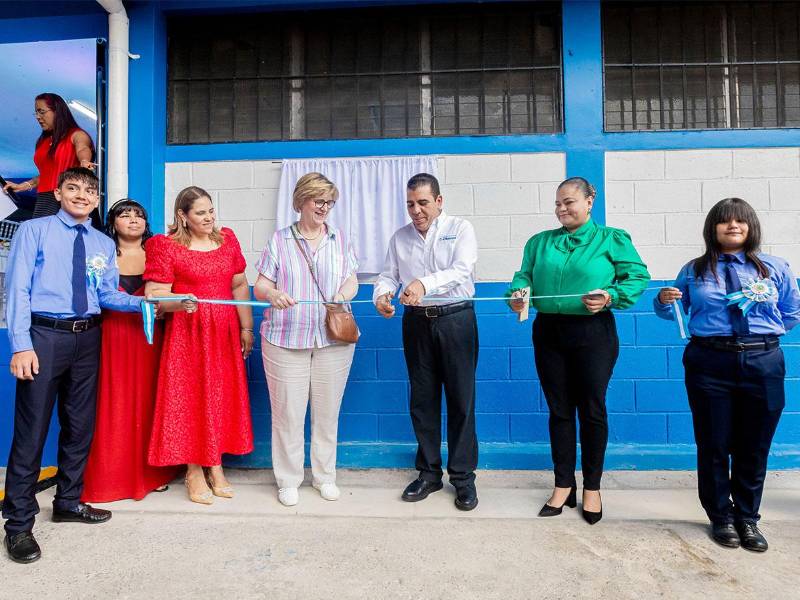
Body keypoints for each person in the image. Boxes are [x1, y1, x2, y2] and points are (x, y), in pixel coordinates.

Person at [2, 168, 144, 564]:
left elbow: (106, 294)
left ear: (97, 200)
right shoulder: (35, 231)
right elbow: (18, 290)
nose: (82, 195)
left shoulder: (101, 242)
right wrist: (21, 345)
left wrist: (146, 304)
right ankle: (18, 525)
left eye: (90, 191)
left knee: (80, 425)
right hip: (45, 337)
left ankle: (67, 501)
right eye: (74, 188)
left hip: (88, 338)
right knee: (31, 432)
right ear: (60, 192)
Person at [655, 198, 800, 552]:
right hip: (709, 363)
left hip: (763, 362)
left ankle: (748, 519)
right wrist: (662, 300)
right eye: (724, 221)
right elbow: (672, 311)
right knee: (714, 443)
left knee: (755, 445)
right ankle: (721, 516)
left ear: (751, 226)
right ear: (712, 228)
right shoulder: (694, 269)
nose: (732, 226)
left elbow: (792, 311)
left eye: (740, 221)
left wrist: (761, 339)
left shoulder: (775, 267)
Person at [508, 176, 650, 524]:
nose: (561, 209)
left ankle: (593, 487)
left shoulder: (611, 239)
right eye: (557, 203)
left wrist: (610, 296)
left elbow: (637, 277)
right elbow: (523, 276)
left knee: (591, 409)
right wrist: (517, 293)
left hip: (593, 333)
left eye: (569, 202)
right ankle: (562, 484)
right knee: (558, 410)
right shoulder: (539, 242)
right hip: (549, 332)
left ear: (590, 201)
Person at [373, 173, 480, 511]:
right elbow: (389, 274)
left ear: (438, 201)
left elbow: (462, 270)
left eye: (422, 202)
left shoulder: (460, 229)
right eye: (410, 204)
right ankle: (429, 474)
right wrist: (382, 294)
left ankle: (463, 479)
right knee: (423, 401)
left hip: (456, 320)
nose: (416, 210)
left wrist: (422, 283)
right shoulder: (400, 237)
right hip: (416, 324)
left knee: (461, 400)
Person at [253, 173, 359, 507]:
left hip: (332, 340)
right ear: (301, 201)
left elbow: (352, 280)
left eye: (329, 202)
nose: (325, 208)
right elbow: (260, 285)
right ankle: (288, 479)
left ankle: (325, 476)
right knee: (288, 414)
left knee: (328, 413)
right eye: (319, 201)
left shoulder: (339, 239)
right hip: (285, 338)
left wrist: (342, 294)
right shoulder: (279, 240)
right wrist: (274, 294)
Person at [144, 186, 254, 505]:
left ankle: (215, 464)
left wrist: (246, 326)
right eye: (200, 212)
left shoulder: (227, 239)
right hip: (188, 332)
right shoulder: (166, 247)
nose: (209, 217)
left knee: (220, 395)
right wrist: (180, 303)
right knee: (191, 398)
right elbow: (155, 294)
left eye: (210, 210)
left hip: (224, 331)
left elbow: (238, 284)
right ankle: (193, 469)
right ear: (183, 215)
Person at [81, 200, 180, 503]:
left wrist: (167, 306)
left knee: (149, 399)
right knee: (114, 401)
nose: (133, 220)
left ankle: (152, 474)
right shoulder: (101, 253)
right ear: (113, 222)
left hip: (150, 338)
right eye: (125, 215)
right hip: (112, 336)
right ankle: (112, 476)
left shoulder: (158, 252)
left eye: (139, 215)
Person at [2, 93, 96, 220]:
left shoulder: (77, 134)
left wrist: (84, 161)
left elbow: (83, 148)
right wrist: (22, 186)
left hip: (67, 198)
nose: (38, 117)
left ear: (57, 111)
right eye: (36, 113)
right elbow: (47, 174)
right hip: (44, 200)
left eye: (41, 112)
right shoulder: (42, 142)